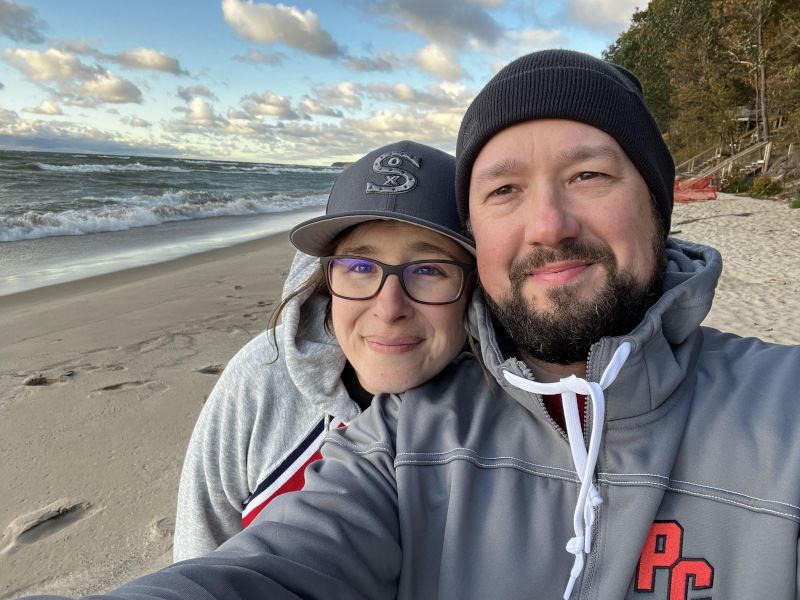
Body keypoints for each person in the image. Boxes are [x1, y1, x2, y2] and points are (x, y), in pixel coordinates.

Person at [28, 50, 800, 600]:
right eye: (503, 189)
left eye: (589, 174)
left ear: (659, 204)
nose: (548, 223)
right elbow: (247, 568)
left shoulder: (784, 411)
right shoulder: (401, 442)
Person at [172, 139, 475, 560]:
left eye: (428, 270)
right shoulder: (262, 377)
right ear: (324, 278)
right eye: (360, 268)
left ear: (474, 292)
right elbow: (201, 553)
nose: (389, 309)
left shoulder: (508, 423)